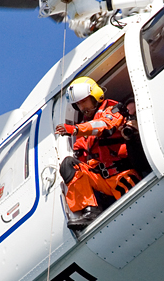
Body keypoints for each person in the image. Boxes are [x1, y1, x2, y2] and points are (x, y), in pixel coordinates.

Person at [55, 77, 140, 231]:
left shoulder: (112, 110)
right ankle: (90, 210)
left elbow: (105, 125)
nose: (82, 108)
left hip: (122, 176)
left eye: (84, 101)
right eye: (78, 104)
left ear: (95, 96)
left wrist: (75, 129)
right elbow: (81, 156)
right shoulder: (83, 131)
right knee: (69, 164)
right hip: (102, 181)